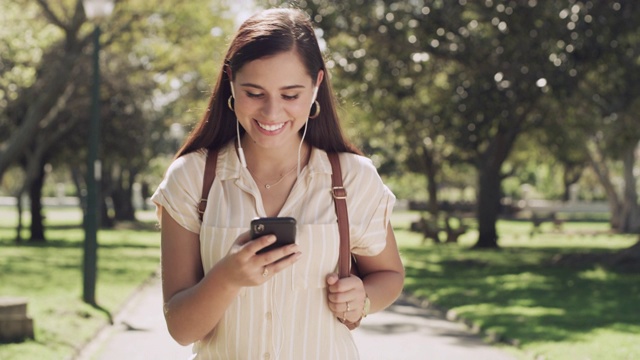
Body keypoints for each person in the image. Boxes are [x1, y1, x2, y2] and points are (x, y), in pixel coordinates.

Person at [151, 7, 404, 360]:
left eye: (290, 95)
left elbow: (389, 275)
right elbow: (181, 329)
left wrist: (362, 298)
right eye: (254, 93)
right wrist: (227, 277)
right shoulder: (191, 178)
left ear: (316, 85)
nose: (271, 114)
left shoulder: (353, 178)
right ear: (231, 82)